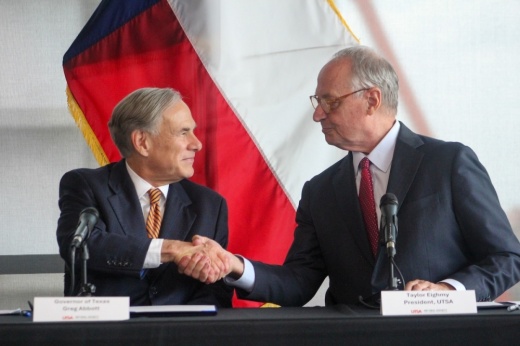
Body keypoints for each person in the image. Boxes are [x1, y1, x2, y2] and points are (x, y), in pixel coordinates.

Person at [180, 45, 520, 306]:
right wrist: (235, 266)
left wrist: (448, 291)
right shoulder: (321, 191)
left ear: (371, 99)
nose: (317, 115)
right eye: (318, 101)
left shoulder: (448, 163)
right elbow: (299, 282)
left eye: (330, 102)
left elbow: (506, 258)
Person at [56, 87, 232, 307]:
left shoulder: (209, 206)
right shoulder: (87, 186)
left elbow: (216, 294)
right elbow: (84, 245)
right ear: (142, 142)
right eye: (183, 132)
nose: (196, 144)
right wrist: (171, 249)